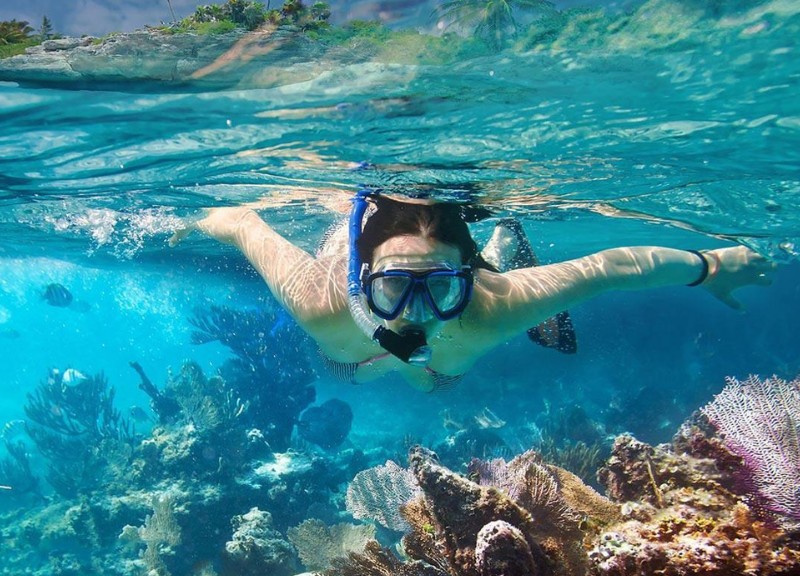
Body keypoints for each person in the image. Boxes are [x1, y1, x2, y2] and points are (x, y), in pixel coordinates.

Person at [171, 190, 776, 392]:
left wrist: (711, 265)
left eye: (439, 288)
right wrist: (188, 223)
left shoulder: (492, 305)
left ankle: (499, 245)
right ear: (361, 283)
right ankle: (490, 251)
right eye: (392, 288)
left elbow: (613, 265)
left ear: (466, 282)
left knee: (433, 380)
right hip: (354, 349)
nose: (415, 313)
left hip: (468, 298)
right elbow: (243, 222)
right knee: (355, 368)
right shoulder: (320, 300)